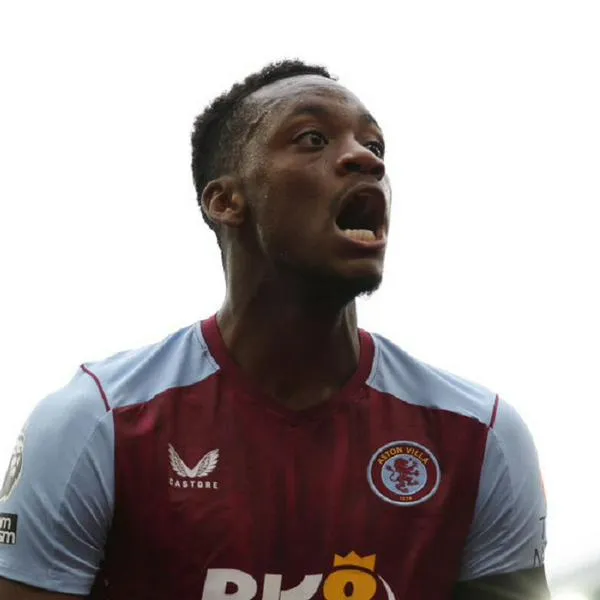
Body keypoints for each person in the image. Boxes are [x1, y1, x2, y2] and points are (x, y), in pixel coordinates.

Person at [0, 60, 549, 600]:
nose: (365, 159)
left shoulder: (479, 435)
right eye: (313, 139)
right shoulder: (98, 423)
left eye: (375, 147)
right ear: (225, 201)